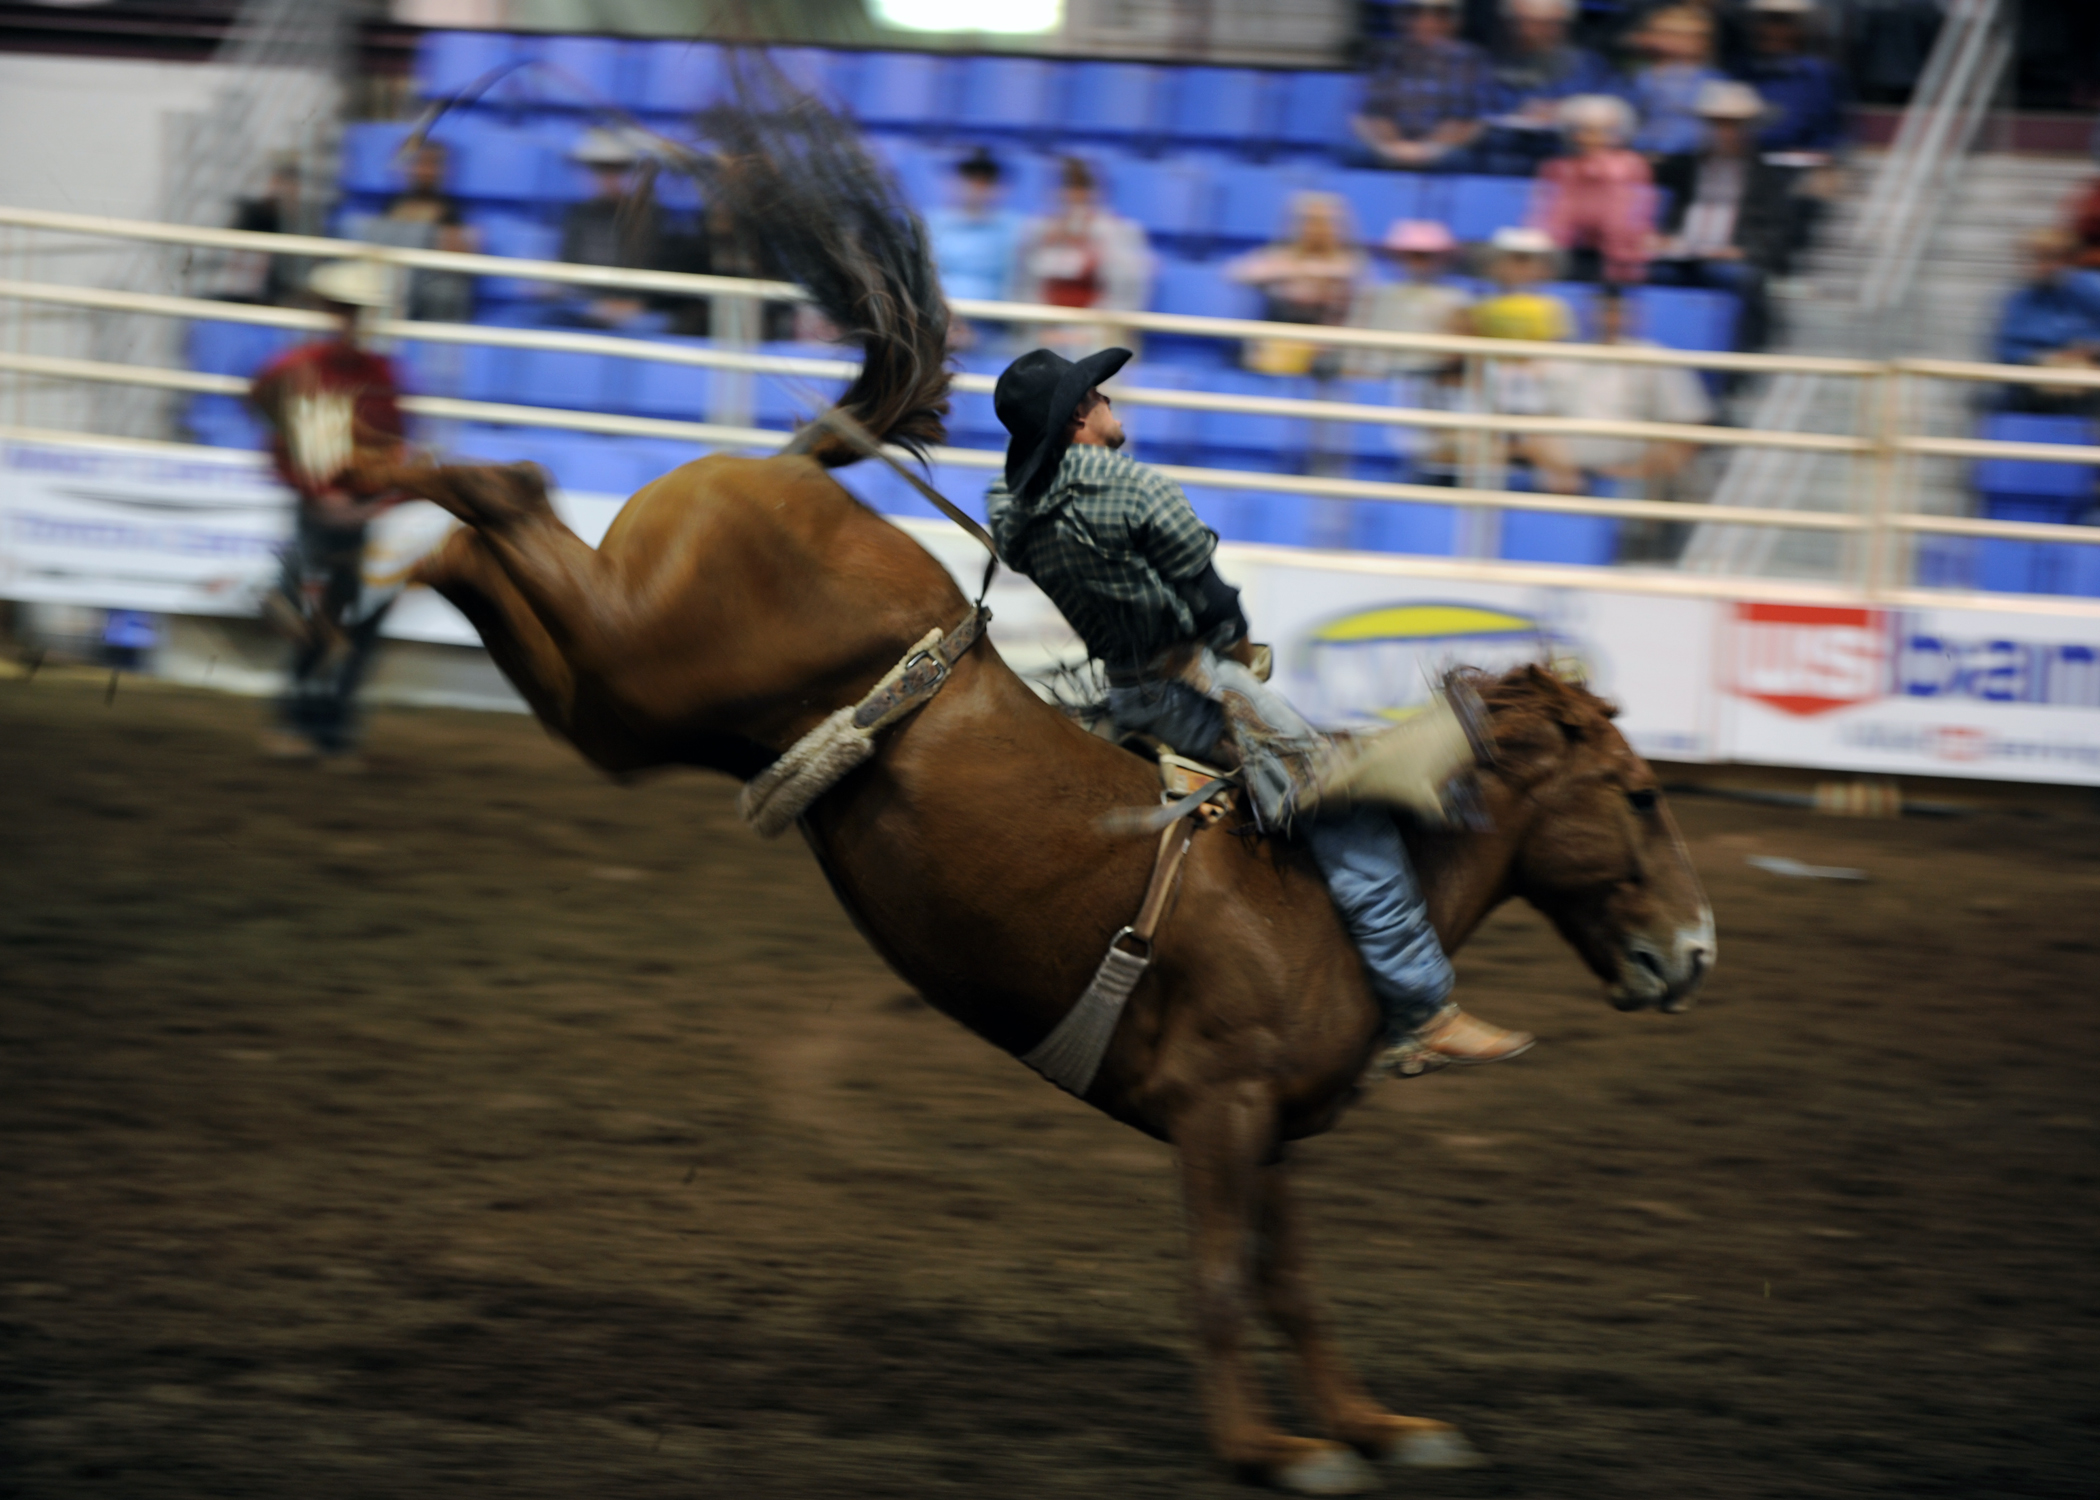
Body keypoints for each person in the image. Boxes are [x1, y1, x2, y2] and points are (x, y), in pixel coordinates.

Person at [983, 345, 1536, 1074]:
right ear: (1081, 415)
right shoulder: (1130, 488)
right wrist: (1238, 654)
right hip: (1191, 688)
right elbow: (1212, 597)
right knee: (1345, 805)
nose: (1113, 401)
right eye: (1101, 394)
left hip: (1126, 690)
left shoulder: (1013, 512)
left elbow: (1023, 522)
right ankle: (1420, 1009)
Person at [249, 260, 409, 766]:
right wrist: (325, 494)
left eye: (353, 312)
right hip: (325, 511)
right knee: (330, 621)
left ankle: (321, 728)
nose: (347, 320)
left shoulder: (354, 371)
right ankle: (309, 726)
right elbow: (271, 422)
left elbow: (393, 448)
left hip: (351, 513)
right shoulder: (304, 367)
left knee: (345, 625)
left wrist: (366, 502)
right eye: (341, 310)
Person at [1533, 284, 1713, 522]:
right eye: (1603, 311)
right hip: (1569, 469)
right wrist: (1558, 466)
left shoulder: (1658, 359)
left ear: (1635, 317)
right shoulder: (1562, 360)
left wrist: (1639, 470)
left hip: (1637, 465)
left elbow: (1690, 423)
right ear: (1587, 315)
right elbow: (1539, 420)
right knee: (1536, 440)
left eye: (1618, 312)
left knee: (1672, 456)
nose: (1610, 319)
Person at [1650, 80, 1794, 353]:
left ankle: (1738, 363)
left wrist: (1741, 250)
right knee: (1654, 274)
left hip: (1730, 258)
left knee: (1741, 279)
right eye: (1718, 124)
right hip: (1681, 254)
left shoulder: (1766, 178)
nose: (1725, 133)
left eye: (1734, 125)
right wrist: (1662, 238)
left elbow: (1778, 232)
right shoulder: (1681, 167)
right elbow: (1655, 208)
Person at [1013, 157, 1152, 355]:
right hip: (1043, 330)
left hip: (1097, 331)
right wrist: (1042, 325)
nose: (1074, 196)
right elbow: (1022, 286)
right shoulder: (1035, 231)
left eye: (1082, 187)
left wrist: (1086, 330)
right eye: (1067, 187)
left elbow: (1127, 296)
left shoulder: (1120, 232)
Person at [1225, 192, 1366, 375]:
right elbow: (1235, 273)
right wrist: (1288, 271)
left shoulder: (1350, 261)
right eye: (1308, 221)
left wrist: (1314, 274)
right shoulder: (1280, 255)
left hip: (1330, 346)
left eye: (1322, 222)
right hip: (1281, 341)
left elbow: (1359, 284)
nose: (1315, 228)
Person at [1352, 0, 1497, 172]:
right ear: (1399, 17)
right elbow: (1366, 115)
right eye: (1413, 12)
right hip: (1388, 151)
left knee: (1470, 159)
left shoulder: (1473, 60)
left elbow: (1475, 122)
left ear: (1456, 19)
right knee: (1352, 151)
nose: (1426, 22)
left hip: (1446, 154)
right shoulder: (1380, 56)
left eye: (1440, 13)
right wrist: (1393, 148)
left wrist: (1429, 149)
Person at [1482, 0, 1620, 176]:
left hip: (1574, 156)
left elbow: (1620, 107)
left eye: (1551, 24)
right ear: (1508, 24)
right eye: (1528, 22)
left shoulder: (1590, 65)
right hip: (1503, 156)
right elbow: (1478, 116)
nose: (1536, 32)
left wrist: (1569, 109)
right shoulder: (1486, 64)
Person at [1531, 93, 1656, 285]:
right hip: (1568, 251)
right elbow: (1550, 216)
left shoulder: (1633, 166)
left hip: (1619, 253)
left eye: (1604, 131)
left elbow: (1633, 215)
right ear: (1572, 134)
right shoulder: (1556, 168)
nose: (1594, 139)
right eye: (1585, 131)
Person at [555, 127, 668, 329]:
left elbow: (655, 274)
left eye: (616, 169)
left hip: (634, 311)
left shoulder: (651, 217)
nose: (607, 178)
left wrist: (631, 302)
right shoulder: (578, 215)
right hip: (580, 305)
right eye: (599, 169)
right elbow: (567, 266)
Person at [1990, 228, 2100, 413]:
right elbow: (2009, 350)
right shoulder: (2020, 300)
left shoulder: (2092, 290)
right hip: (2039, 384)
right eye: (2036, 258)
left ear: (2069, 259)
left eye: (2051, 257)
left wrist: (2088, 351)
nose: (2043, 265)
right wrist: (2049, 359)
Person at [1347, 218, 1474, 377]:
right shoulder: (1374, 295)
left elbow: (1460, 349)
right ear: (1397, 255)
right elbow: (1356, 337)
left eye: (1426, 256)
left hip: (1433, 374)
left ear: (1442, 258)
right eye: (1411, 254)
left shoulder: (1457, 300)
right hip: (1378, 373)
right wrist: (1352, 369)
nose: (1418, 262)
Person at [926, 147, 1025, 347]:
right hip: (931, 320)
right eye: (970, 180)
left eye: (985, 182)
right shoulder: (929, 224)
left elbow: (1019, 283)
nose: (976, 188)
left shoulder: (1017, 230)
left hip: (993, 328)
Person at [376, 140, 477, 323]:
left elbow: (458, 259)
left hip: (429, 293)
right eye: (420, 163)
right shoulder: (392, 206)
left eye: (432, 164)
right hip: (392, 287)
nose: (425, 171)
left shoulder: (451, 211)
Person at [1740, 0, 1845, 161]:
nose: (1770, 31)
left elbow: (1833, 132)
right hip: (1746, 164)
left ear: (1798, 29)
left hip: (1799, 167)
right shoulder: (1742, 72)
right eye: (1765, 21)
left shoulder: (1818, 76)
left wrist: (1816, 154)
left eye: (1781, 22)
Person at [1626, 6, 1726, 158]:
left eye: (1695, 36)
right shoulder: (1641, 77)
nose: (1682, 41)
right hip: (1643, 148)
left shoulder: (1714, 79)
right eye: (1672, 34)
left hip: (1696, 152)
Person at [230, 156, 311, 305]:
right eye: (279, 184)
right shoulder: (251, 214)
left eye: (292, 187)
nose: (284, 191)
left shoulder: (303, 225)